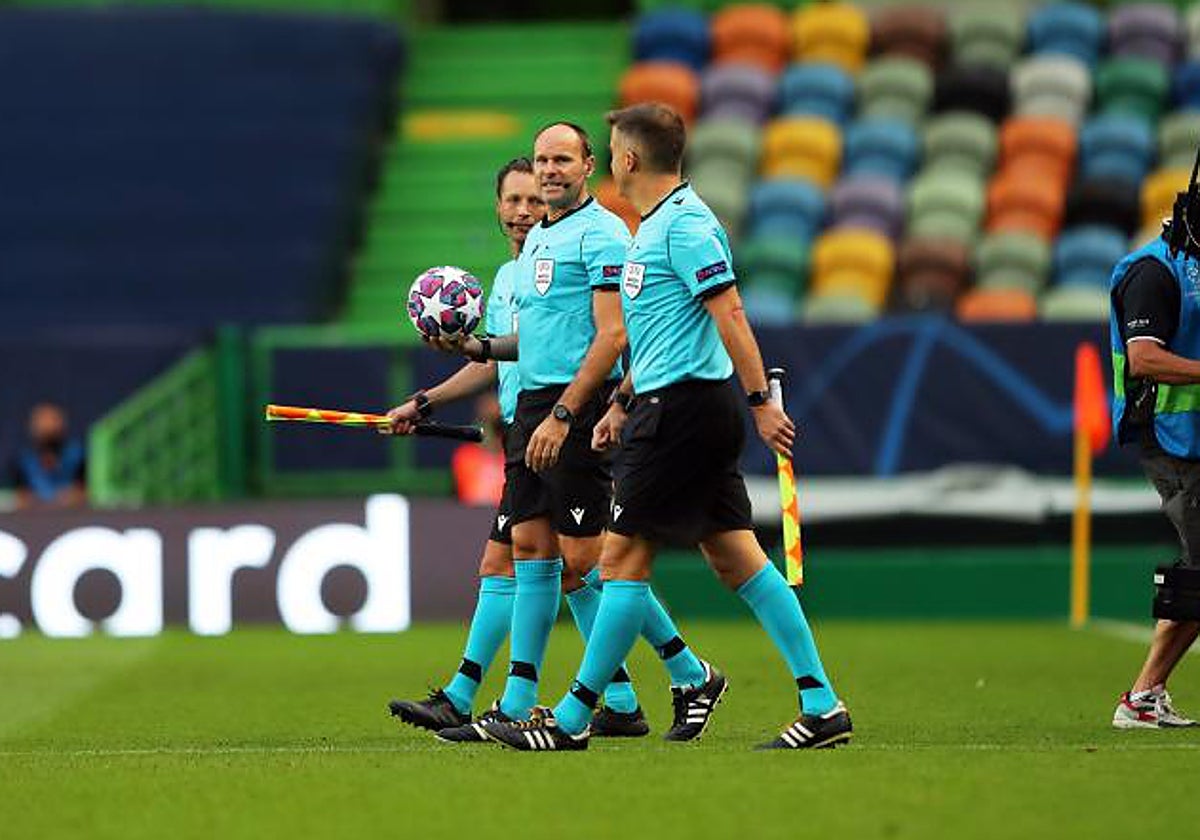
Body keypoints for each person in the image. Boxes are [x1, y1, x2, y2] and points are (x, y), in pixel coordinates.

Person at [481, 103, 851, 751]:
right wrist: (622, 401)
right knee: (737, 561)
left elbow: (730, 314)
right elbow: (658, 335)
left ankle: (572, 720)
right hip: (660, 404)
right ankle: (821, 704)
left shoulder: (685, 226)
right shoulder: (651, 227)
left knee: (619, 559)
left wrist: (762, 400)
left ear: (625, 159)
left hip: (684, 413)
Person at [442, 123, 720, 742]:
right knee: (536, 555)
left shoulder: (602, 234)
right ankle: (516, 703)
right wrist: (478, 346)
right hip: (534, 406)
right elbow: (538, 336)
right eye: (542, 160)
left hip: (577, 405)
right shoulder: (543, 236)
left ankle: (687, 669)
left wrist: (566, 414)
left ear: (588, 165)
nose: (549, 170)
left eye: (562, 159)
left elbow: (613, 334)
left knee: (590, 558)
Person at [1107, 148, 1200, 730]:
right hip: (1170, 440)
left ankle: (1144, 696)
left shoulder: (1191, 265)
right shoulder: (1153, 271)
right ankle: (1141, 696)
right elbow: (1143, 359)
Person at [8, 402, 87, 511]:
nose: (48, 427)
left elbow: (82, 494)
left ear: (62, 425)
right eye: (42, 422)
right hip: (35, 520)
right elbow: (21, 499)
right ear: (32, 427)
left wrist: (66, 499)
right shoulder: (22, 460)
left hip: (72, 517)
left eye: (53, 421)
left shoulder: (78, 455)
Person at [451, 393, 506, 507]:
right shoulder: (464, 456)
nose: (491, 432)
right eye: (485, 422)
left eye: (498, 426)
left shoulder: (519, 457)